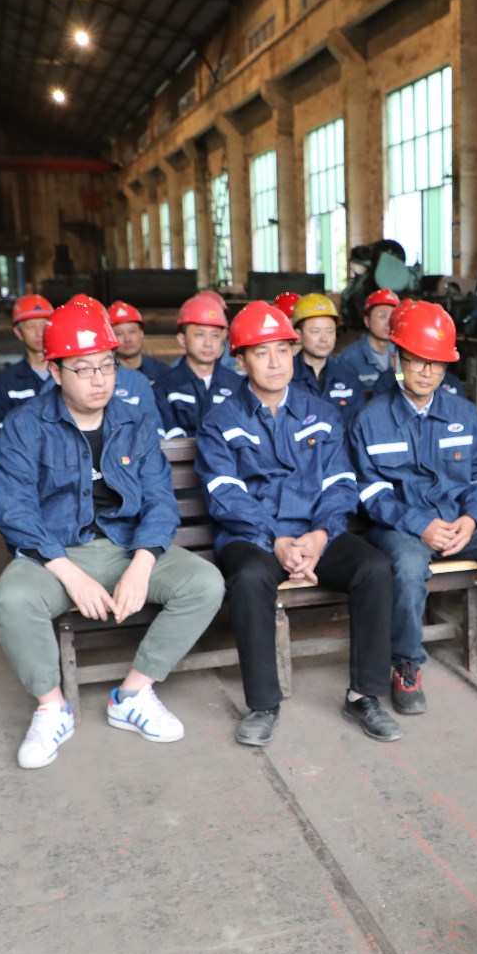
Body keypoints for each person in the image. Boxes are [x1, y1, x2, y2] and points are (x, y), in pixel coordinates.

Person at [0, 300, 225, 770]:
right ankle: (52, 708)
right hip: (56, 553)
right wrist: (72, 576)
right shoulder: (24, 427)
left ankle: (133, 694)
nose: (98, 379)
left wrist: (142, 563)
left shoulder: (135, 422)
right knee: (11, 599)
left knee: (204, 583)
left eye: (106, 365)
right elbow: (15, 512)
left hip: (125, 545)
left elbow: (159, 500)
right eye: (82, 368)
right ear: (55, 372)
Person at [195, 301, 399, 748]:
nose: (275, 362)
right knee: (250, 578)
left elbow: (341, 482)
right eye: (261, 352)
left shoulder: (320, 412)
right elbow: (225, 494)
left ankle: (364, 695)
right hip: (253, 537)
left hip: (315, 533)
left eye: (283, 351)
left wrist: (321, 535)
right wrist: (277, 540)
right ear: (240, 361)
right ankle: (263, 704)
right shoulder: (221, 421)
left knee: (375, 568)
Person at [351, 300, 477, 714]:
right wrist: (420, 524)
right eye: (416, 360)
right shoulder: (370, 419)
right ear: (397, 358)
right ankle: (406, 663)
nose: (427, 371)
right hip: (402, 527)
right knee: (406, 568)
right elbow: (369, 493)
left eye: (436, 362)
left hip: (461, 522)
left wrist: (472, 519)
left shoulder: (463, 413)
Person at [155, 291, 246, 438]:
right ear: (182, 339)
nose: (208, 343)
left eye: (215, 335)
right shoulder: (164, 388)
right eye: (199, 334)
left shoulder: (238, 386)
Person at [289, 292, 363, 425]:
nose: (324, 339)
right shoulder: (285, 377)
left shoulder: (347, 376)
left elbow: (357, 426)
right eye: (315, 331)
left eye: (329, 331)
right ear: (298, 335)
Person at [0, 294, 54, 436]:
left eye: (44, 325)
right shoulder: (8, 382)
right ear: (18, 332)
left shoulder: (68, 374)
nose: (39, 333)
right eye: (31, 326)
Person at [338, 287, 399, 394]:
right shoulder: (348, 359)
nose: (389, 322)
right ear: (367, 321)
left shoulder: (401, 355)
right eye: (382, 316)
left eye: (392, 316)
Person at [107, 300, 173, 383]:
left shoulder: (164, 373)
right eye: (119, 334)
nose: (127, 339)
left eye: (132, 331)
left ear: (141, 333)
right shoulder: (105, 377)